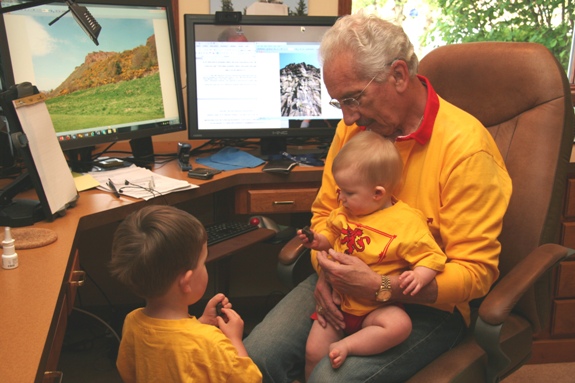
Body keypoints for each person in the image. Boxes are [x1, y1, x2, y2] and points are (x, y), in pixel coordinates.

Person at [244, 10, 512, 383]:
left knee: (328, 378)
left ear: (398, 75)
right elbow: (325, 214)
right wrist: (327, 270)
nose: (349, 119)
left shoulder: (466, 149)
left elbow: (475, 272)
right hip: (345, 283)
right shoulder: (353, 132)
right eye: (340, 104)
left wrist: (382, 287)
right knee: (258, 357)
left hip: (426, 305)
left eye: (354, 99)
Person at [299, 131, 447, 379]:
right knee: (313, 352)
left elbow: (431, 256)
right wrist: (317, 241)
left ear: (378, 193)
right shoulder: (344, 213)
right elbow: (331, 236)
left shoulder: (405, 223)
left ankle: (348, 345)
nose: (341, 198)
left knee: (399, 326)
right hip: (339, 300)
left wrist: (420, 276)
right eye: (339, 191)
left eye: (348, 193)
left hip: (377, 306)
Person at [109, 205, 262, 383]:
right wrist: (235, 339)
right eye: (203, 261)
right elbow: (251, 380)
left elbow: (130, 372)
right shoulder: (211, 343)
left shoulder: (132, 322)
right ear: (187, 281)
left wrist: (201, 323)